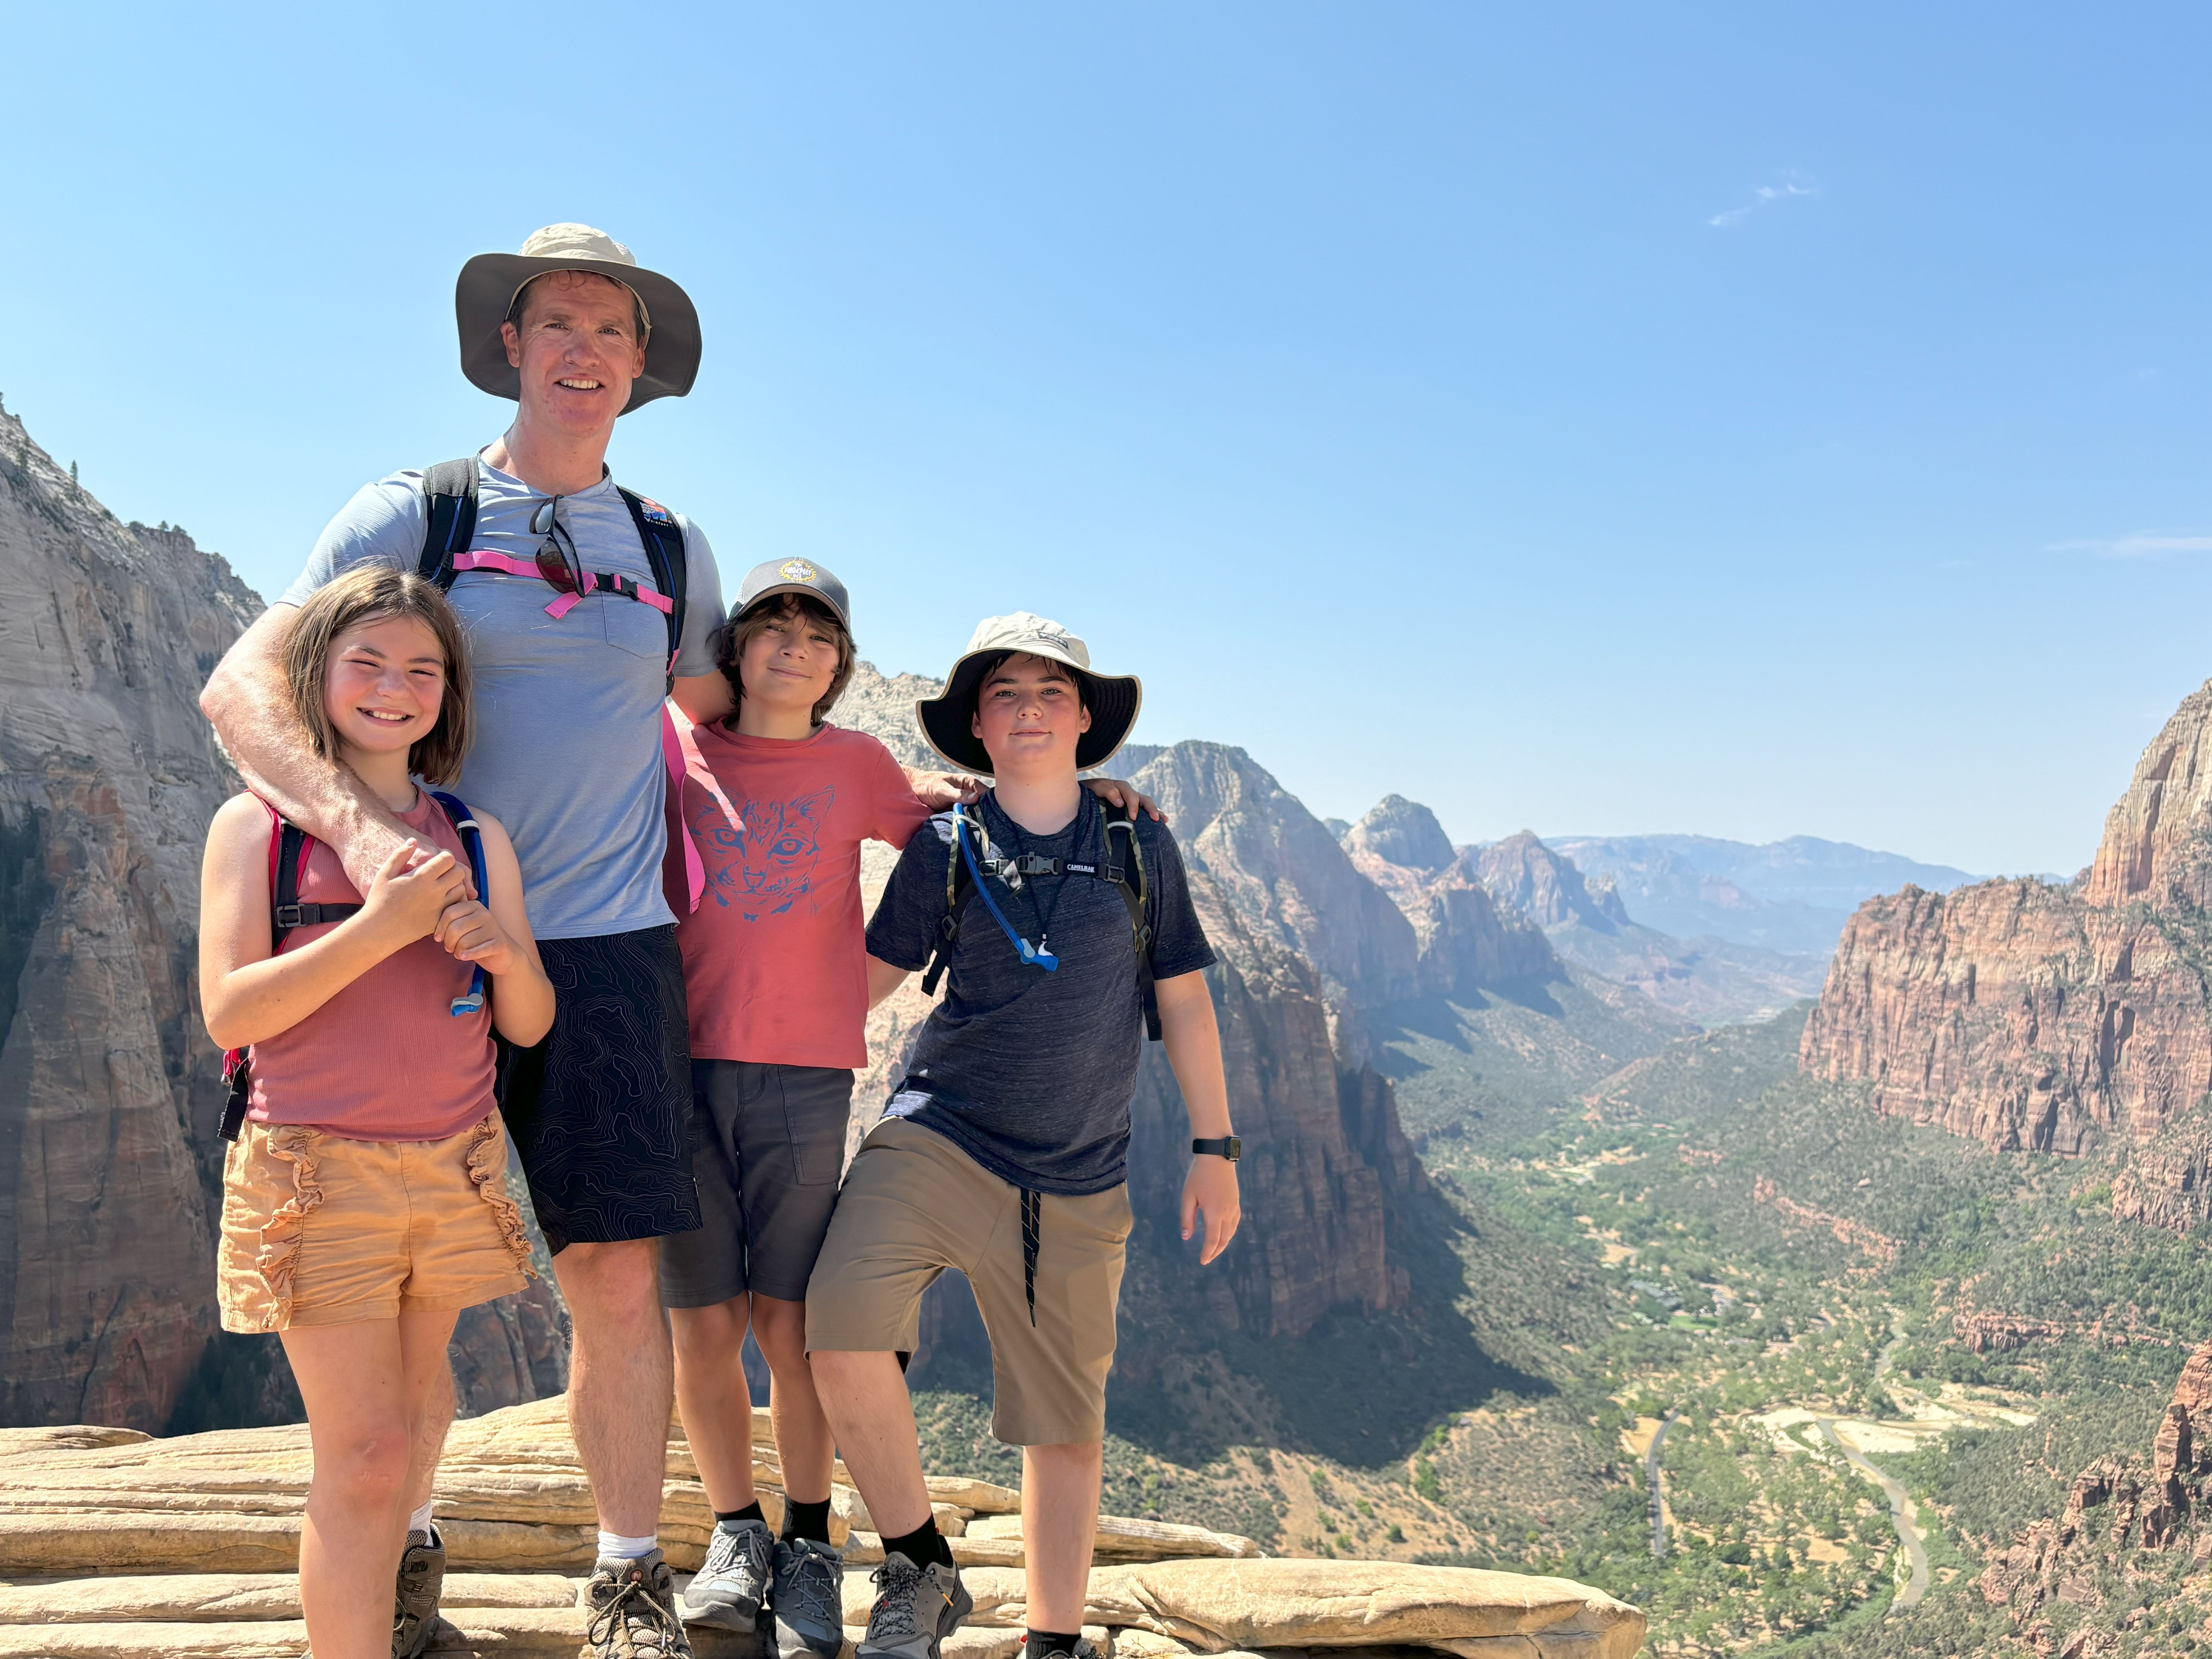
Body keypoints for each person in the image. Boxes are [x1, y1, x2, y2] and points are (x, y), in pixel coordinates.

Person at [202, 225, 724, 1659]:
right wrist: (372, 846)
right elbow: (245, 684)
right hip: (421, 941)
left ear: (640, 363)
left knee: (615, 1276)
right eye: (557, 321)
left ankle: (627, 1577)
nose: (582, 350)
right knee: (416, 1286)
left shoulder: (670, 544)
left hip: (605, 946)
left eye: (610, 329)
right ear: (510, 342)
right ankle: (405, 1552)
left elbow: (720, 716)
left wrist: (911, 794)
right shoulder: (415, 510)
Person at [661, 567, 1167, 1653]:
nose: (794, 646)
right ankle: (737, 1532)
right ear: (734, 647)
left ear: (840, 664)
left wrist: (1091, 796)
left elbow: (961, 822)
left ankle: (808, 1540)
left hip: (802, 1074)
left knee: (792, 1321)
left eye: (818, 634)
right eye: (771, 626)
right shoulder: (678, 747)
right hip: (680, 1068)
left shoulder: (858, 763)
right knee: (701, 1324)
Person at [809, 614, 1244, 1659]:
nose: (1030, 709)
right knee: (841, 1323)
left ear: (1086, 718)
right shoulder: (947, 845)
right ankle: (922, 1562)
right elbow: (860, 987)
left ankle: (1053, 1642)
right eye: (1005, 693)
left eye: (1052, 692)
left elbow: (1183, 999)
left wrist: (1215, 1150)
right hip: (940, 1134)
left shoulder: (1138, 844)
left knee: (1064, 1425)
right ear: (979, 723)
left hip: (1078, 1174)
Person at [201, 567, 554, 1659]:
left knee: (404, 1439)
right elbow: (230, 1012)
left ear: (449, 693)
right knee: (362, 1459)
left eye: (421, 669)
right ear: (315, 675)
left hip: (453, 1165)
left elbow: (530, 1021)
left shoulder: (477, 835)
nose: (394, 688)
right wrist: (382, 926)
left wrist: (505, 958)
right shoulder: (255, 829)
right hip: (314, 1173)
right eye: (366, 662)